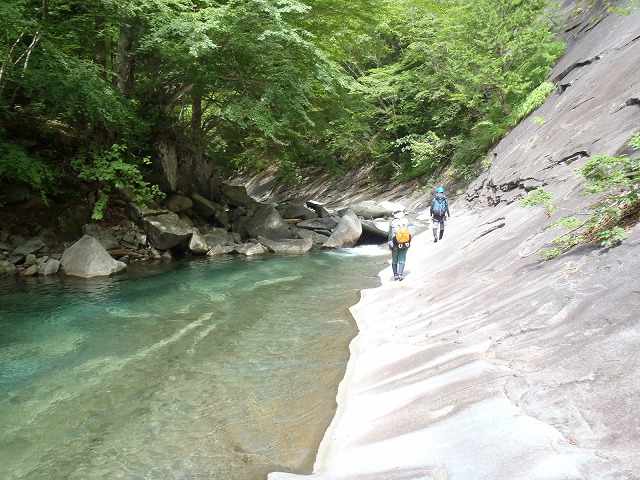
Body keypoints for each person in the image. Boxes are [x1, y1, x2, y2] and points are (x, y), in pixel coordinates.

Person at [388, 208, 411, 281]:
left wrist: (389, 243)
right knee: (402, 259)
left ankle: (395, 275)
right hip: (405, 243)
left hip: (395, 243)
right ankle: (400, 274)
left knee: (395, 259)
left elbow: (390, 234)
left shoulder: (392, 222)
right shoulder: (406, 221)